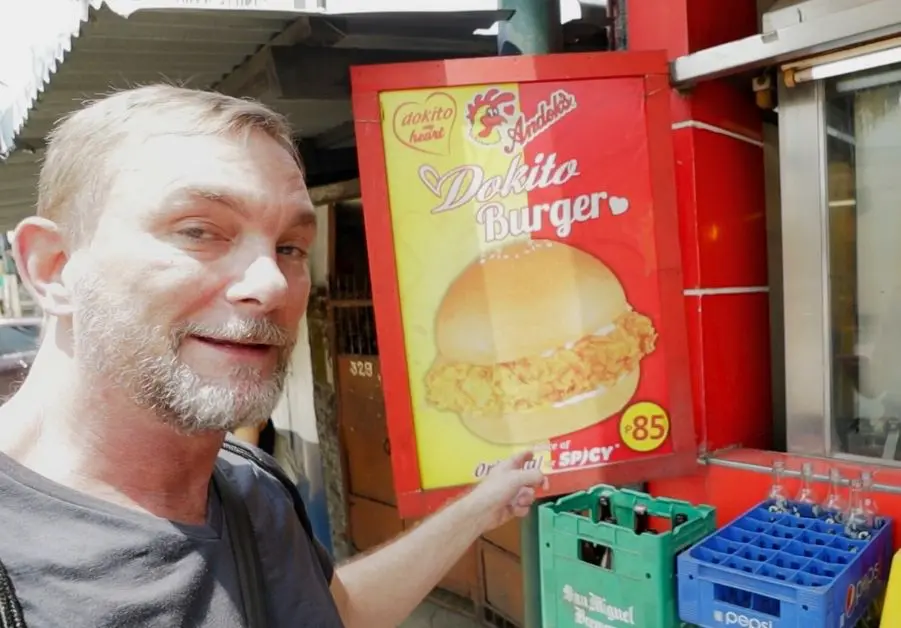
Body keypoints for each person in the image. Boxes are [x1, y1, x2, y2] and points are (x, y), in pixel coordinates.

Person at [0, 85, 546, 627]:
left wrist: (479, 506)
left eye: (289, 247)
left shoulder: (251, 487)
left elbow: (335, 613)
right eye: (199, 231)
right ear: (55, 267)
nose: (272, 284)